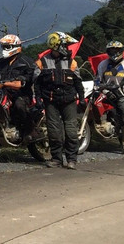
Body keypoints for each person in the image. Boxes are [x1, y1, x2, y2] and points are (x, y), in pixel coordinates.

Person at [35, 31, 86, 169]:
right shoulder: (42, 62)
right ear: (57, 46)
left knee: (70, 130)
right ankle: (56, 159)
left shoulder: (72, 62)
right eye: (65, 45)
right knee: (54, 131)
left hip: (69, 100)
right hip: (50, 101)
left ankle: (71, 159)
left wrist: (81, 99)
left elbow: (78, 83)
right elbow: (37, 83)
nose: (67, 47)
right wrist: (38, 99)